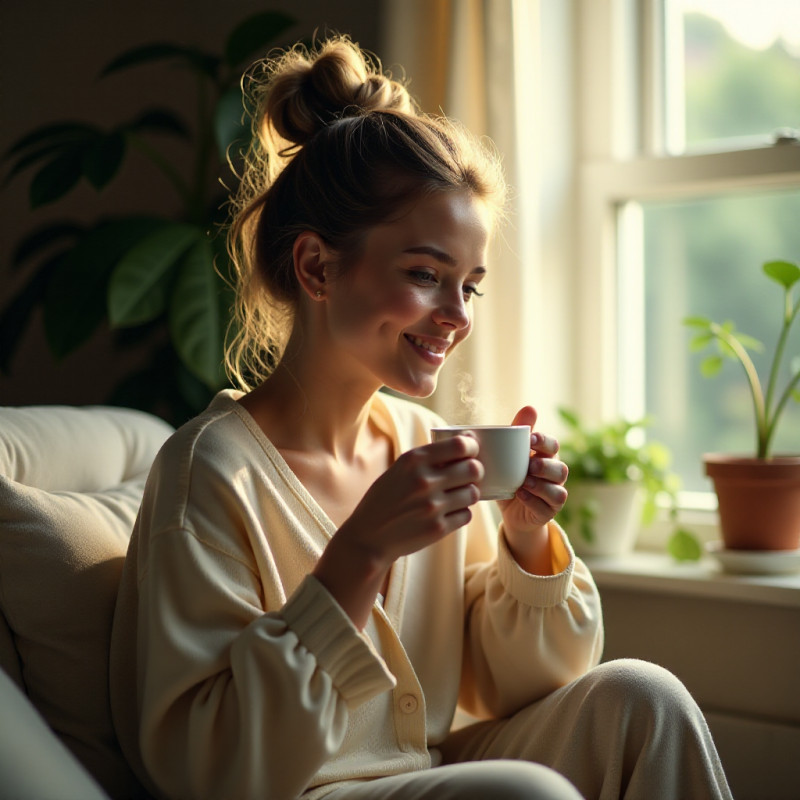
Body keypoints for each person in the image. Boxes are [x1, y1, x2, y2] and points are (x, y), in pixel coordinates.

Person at [109, 35, 733, 800]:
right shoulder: (209, 473)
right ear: (316, 267)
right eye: (425, 275)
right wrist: (359, 554)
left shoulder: (417, 444)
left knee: (645, 698)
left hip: (436, 775)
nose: (456, 315)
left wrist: (525, 537)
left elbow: (520, 687)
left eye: (469, 285)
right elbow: (207, 765)